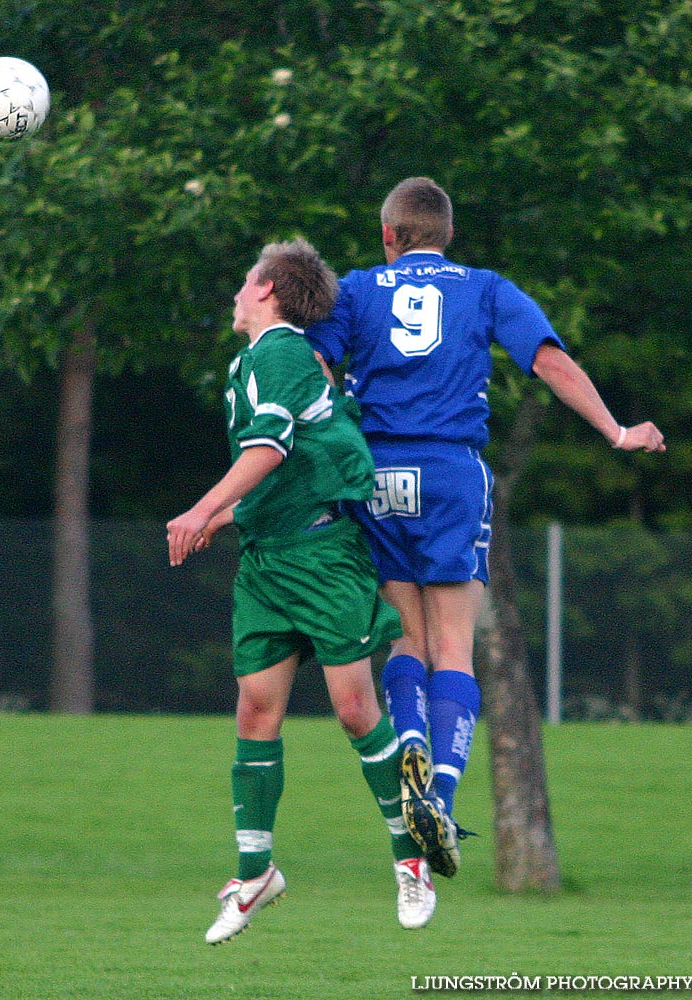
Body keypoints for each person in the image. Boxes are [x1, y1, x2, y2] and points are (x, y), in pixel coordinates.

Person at [306, 176, 666, 884]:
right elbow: (550, 363)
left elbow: (314, 363)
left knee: (401, 640)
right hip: (448, 473)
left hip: (374, 470)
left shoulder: (352, 290)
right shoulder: (487, 288)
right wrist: (617, 431)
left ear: (388, 236)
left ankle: (406, 748)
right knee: (452, 647)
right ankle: (437, 793)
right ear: (446, 235)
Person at [167, 238, 443, 942]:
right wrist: (226, 517)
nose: (234, 295)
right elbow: (282, 469)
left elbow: (271, 449)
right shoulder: (253, 361)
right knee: (255, 710)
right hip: (267, 561)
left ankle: (409, 855)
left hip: (321, 559)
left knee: (354, 710)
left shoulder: (283, 352)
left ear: (265, 288)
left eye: (242, 283)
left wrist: (201, 508)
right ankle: (255, 873)